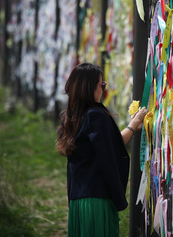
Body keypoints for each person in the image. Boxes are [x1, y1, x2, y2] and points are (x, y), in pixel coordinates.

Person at [56, 63, 147, 237]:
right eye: (102, 85)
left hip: (78, 201)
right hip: (97, 201)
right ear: (89, 88)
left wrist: (132, 126)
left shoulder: (72, 116)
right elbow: (109, 156)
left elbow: (107, 145)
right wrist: (119, 199)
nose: (103, 90)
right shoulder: (96, 115)